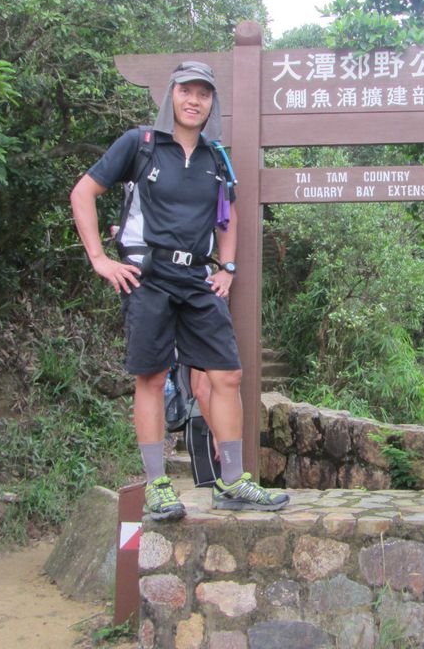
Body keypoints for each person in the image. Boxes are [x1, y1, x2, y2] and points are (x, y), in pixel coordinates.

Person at [70, 60, 289, 520]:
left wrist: (227, 267)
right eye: (186, 91)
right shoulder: (140, 144)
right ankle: (157, 486)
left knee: (227, 374)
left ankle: (232, 481)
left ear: (213, 103)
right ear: (171, 94)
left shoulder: (216, 158)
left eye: (203, 93)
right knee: (151, 378)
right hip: (147, 276)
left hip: (198, 280)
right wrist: (99, 259)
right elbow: (82, 193)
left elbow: (228, 215)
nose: (194, 100)